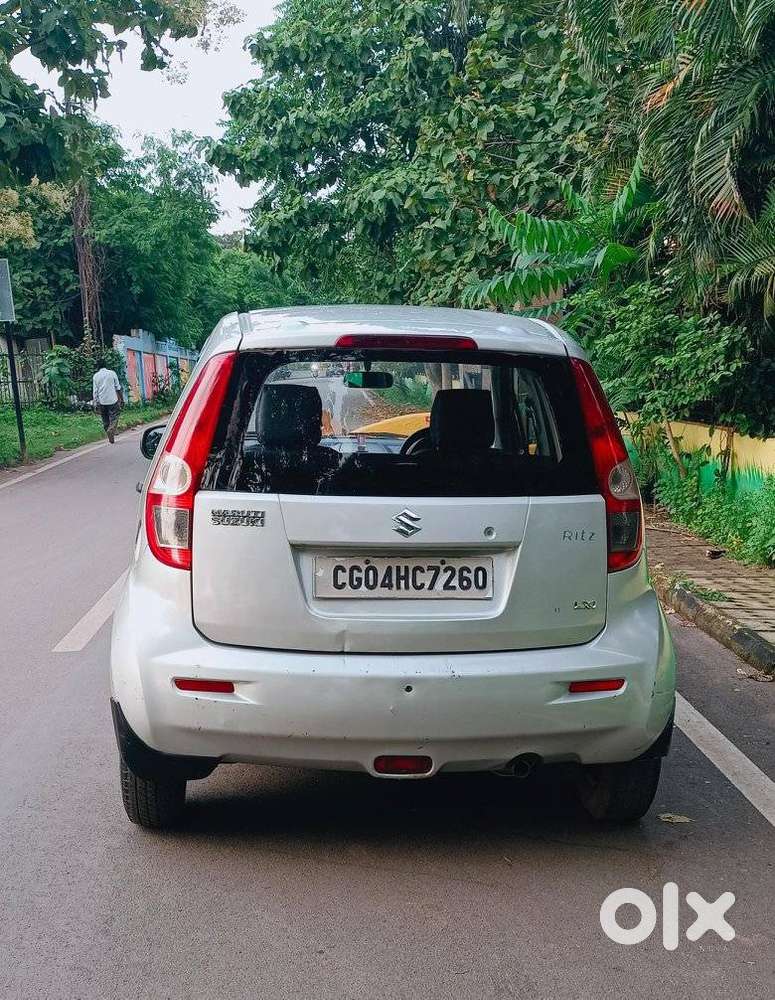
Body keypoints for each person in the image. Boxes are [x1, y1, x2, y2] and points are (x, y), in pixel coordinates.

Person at [92, 358, 124, 444]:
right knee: (114, 416)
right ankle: (112, 429)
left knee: (105, 418)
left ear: (97, 367)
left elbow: (95, 392)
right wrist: (121, 399)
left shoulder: (95, 376)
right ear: (106, 365)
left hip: (102, 401)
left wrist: (95, 403)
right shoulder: (112, 373)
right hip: (113, 400)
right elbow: (118, 387)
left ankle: (108, 430)